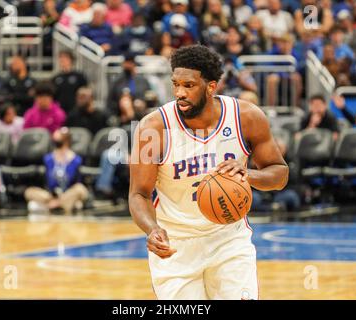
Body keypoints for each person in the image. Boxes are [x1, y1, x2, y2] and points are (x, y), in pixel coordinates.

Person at [129, 45, 289, 299]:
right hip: (176, 244)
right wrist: (152, 229)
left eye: (189, 86)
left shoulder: (246, 117)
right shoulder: (152, 128)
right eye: (175, 84)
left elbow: (279, 174)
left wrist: (248, 175)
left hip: (228, 240)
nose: (180, 93)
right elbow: (139, 194)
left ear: (211, 87)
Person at [24, 127, 89, 214]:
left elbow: (78, 183)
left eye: (60, 135)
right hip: (50, 195)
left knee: (80, 189)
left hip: (68, 193)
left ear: (67, 140)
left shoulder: (76, 159)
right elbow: (45, 182)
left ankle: (55, 205)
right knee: (29, 191)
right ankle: (60, 205)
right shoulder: (48, 158)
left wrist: (61, 198)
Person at [107, 53, 151, 118]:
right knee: (125, 102)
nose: (128, 65)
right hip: (122, 114)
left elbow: (149, 96)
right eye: (126, 63)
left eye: (130, 63)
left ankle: (135, 121)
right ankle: (132, 120)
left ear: (134, 64)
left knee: (138, 104)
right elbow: (110, 101)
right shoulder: (118, 81)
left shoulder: (143, 81)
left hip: (141, 111)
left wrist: (141, 102)